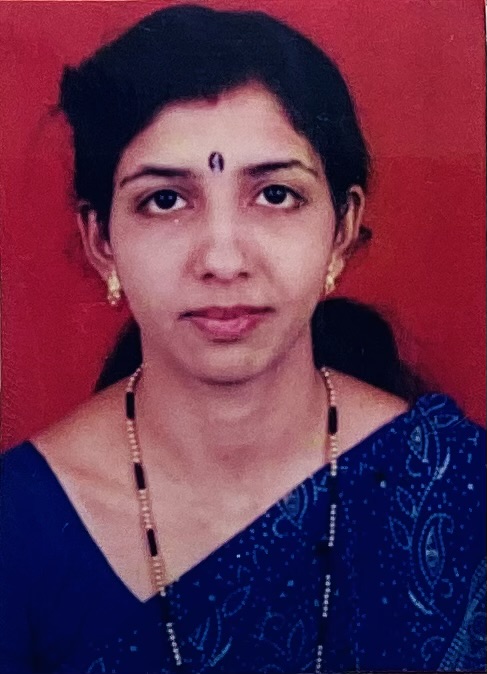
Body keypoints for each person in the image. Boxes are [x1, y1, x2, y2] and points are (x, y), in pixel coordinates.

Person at [0, 5, 485, 673]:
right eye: (165, 200)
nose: (223, 260)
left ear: (341, 230)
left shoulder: (454, 486)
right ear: (101, 241)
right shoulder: (18, 527)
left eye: (276, 195)